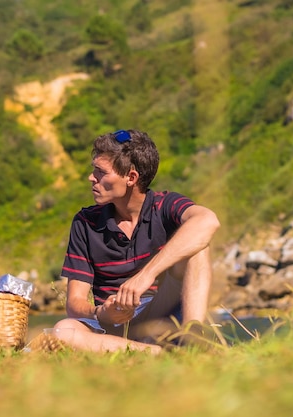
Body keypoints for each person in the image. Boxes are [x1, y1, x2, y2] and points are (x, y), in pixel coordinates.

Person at [52, 129, 220, 354]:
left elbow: (207, 221)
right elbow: (74, 303)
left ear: (131, 178)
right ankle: (160, 354)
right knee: (63, 330)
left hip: (160, 315)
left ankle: (193, 338)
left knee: (198, 245)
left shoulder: (165, 205)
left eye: (101, 172)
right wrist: (101, 313)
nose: (91, 177)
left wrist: (145, 276)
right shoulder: (85, 222)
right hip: (111, 326)